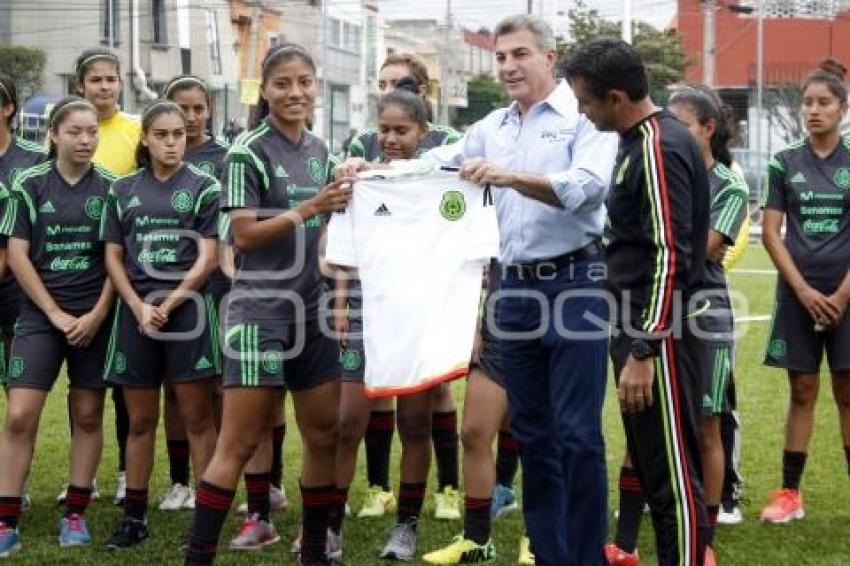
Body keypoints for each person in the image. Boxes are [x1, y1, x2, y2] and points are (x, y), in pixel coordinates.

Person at [423, 15, 618, 565]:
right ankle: (554, 555)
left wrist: (510, 178)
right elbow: (438, 162)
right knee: (532, 435)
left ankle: (587, 557)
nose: (508, 66)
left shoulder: (584, 119)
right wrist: (373, 171)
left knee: (578, 435)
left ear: (550, 58)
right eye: (501, 56)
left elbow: (586, 190)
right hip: (512, 292)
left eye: (520, 54)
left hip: (576, 282)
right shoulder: (492, 126)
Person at [183, 43, 350, 566]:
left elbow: (325, 233)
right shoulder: (246, 151)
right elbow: (245, 235)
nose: (295, 92)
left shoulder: (322, 149)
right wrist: (311, 207)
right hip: (260, 312)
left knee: (324, 434)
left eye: (304, 81)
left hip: (313, 311)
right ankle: (198, 556)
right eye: (283, 83)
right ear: (265, 90)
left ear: (315, 86)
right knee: (236, 443)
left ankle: (315, 552)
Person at [564, 38, 712, 566]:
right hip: (640, 329)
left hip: (658, 335)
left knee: (672, 481)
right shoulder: (638, 139)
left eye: (586, 100)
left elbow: (671, 250)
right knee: (656, 473)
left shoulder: (657, 144)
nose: (581, 110)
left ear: (618, 97)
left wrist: (646, 349)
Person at [604, 87, 748, 565]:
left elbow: (695, 250)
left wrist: (653, 246)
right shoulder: (652, 160)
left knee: (704, 426)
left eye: (682, 123)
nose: (670, 130)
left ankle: (700, 542)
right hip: (654, 309)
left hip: (702, 312)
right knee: (644, 430)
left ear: (707, 129)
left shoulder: (727, 182)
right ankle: (624, 542)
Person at [345, 52, 464, 522]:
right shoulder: (363, 145)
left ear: (423, 94)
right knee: (379, 388)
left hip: (429, 293)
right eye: (385, 82)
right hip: (378, 295)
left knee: (433, 392)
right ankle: (378, 487)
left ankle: (449, 488)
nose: (393, 89)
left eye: (404, 83)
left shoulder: (451, 146)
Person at [100, 101, 221, 549]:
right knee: (140, 420)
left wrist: (168, 303)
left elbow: (208, 257)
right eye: (163, 135)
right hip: (137, 315)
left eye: (179, 134)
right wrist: (136, 304)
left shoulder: (205, 186)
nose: (173, 142)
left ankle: (206, 521)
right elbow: (113, 255)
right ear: (145, 140)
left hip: (186, 312)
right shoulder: (123, 189)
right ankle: (134, 517)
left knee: (196, 417)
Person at [0, 97, 114, 556]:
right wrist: (53, 313)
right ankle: (6, 522)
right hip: (40, 318)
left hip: (94, 318)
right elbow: (18, 256)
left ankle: (75, 514)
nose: (86, 140)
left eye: (92, 132)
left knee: (87, 415)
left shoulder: (111, 187)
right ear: (54, 134)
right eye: (75, 132)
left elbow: (115, 262)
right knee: (19, 415)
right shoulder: (29, 183)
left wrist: (96, 315)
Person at [760, 58, 850, 524]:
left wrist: (839, 295)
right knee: (802, 389)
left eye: (824, 103)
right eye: (807, 102)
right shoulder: (783, 161)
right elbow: (772, 232)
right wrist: (802, 289)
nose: (813, 110)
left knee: (848, 391)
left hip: (847, 296)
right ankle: (790, 495)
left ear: (842, 108)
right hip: (796, 295)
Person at [72, 48, 142, 506]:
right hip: (82, 269)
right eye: (95, 79)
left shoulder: (136, 130)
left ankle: (123, 471)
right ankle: (84, 477)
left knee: (124, 381)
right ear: (80, 85)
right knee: (84, 380)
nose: (103, 86)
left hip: (129, 267)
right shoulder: (71, 127)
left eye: (110, 79)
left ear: (121, 83)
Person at [158, 75, 231, 512]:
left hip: (219, 280)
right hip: (171, 283)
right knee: (175, 386)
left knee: (221, 385)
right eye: (180, 109)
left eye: (198, 109)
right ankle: (178, 479)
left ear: (209, 110)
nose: (189, 118)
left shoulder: (225, 158)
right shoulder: (156, 156)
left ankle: (220, 474)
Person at [0, 72, 47, 438]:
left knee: (17, 390)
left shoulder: (33, 160)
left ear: (8, 108)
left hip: (19, 290)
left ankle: (18, 484)